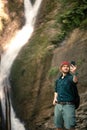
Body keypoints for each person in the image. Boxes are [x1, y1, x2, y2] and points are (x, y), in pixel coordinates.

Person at [53, 61, 78, 130]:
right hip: (58, 105)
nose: (66, 67)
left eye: (67, 66)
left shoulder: (71, 78)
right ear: (61, 69)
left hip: (68, 105)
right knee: (59, 126)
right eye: (64, 66)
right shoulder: (58, 80)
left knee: (70, 126)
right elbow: (56, 90)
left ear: (69, 69)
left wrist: (75, 73)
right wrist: (54, 99)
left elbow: (75, 81)